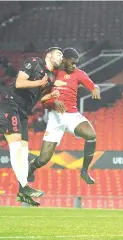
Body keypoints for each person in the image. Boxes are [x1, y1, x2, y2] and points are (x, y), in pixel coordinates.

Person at [28, 48, 101, 185]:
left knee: (91, 135)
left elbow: (91, 84)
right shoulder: (51, 74)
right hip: (55, 118)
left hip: (72, 115)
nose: (74, 66)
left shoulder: (79, 74)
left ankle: (84, 171)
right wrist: (53, 101)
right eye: (72, 63)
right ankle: (30, 169)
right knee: (44, 159)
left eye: (76, 63)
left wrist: (95, 88)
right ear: (64, 60)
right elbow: (42, 99)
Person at [0, 47, 63, 206]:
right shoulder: (34, 63)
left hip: (23, 112)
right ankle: (25, 187)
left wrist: (51, 96)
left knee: (23, 149)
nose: (61, 56)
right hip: (10, 105)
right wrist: (39, 82)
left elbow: (40, 99)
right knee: (16, 147)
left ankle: (22, 193)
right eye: (58, 53)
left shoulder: (50, 77)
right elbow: (19, 82)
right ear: (48, 55)